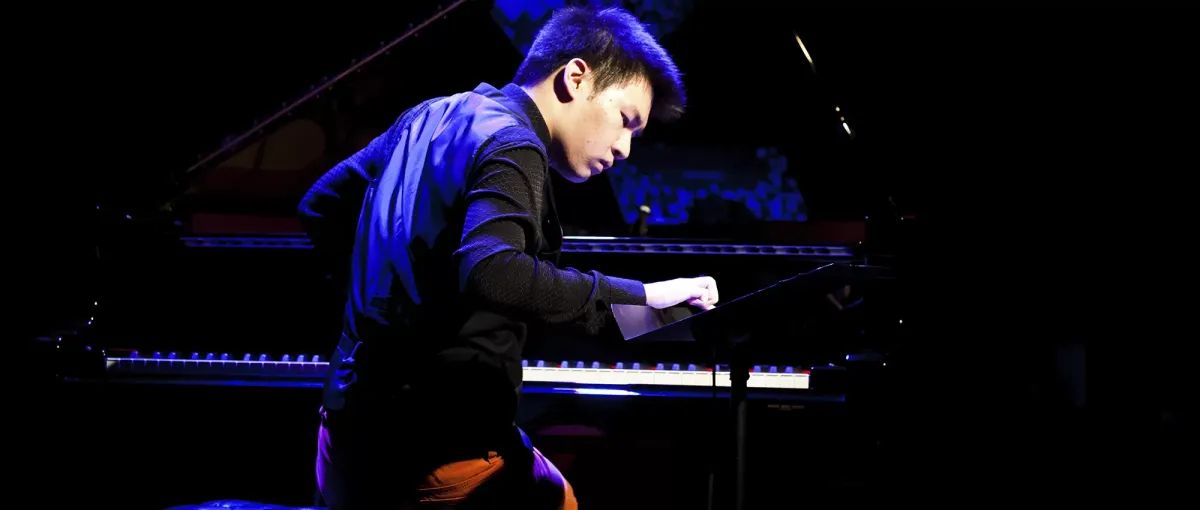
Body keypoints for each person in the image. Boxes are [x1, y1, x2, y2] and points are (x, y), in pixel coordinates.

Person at [298, 6, 718, 508]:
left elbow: (322, 205)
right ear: (576, 77)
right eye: (625, 120)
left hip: (344, 437)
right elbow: (495, 272)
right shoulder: (515, 144)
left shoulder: (428, 115)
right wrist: (643, 296)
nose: (626, 147)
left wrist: (391, 297)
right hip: (435, 451)